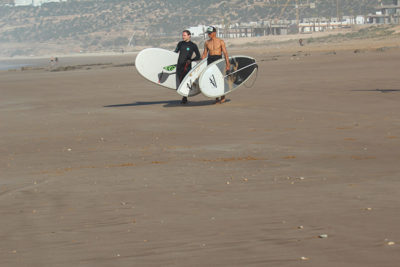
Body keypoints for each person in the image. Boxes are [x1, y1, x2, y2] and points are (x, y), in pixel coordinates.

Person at [202, 26, 230, 104]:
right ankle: (217, 98)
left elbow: (225, 53)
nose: (209, 35)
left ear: (214, 33)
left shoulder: (221, 41)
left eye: (210, 33)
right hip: (210, 60)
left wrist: (228, 64)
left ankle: (223, 97)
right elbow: (204, 54)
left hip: (218, 59)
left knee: (220, 78)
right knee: (212, 79)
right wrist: (200, 65)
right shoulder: (207, 42)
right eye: (208, 33)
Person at [174, 30, 201, 104]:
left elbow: (198, 56)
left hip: (187, 66)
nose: (183, 37)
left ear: (189, 36)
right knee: (180, 81)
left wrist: (191, 60)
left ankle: (184, 97)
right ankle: (184, 95)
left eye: (184, 35)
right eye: (182, 35)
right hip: (179, 65)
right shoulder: (180, 44)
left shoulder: (193, 45)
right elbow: (175, 52)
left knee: (185, 81)